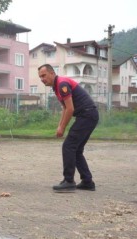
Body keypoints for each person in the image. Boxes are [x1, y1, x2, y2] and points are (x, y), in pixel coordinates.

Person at [38, 64, 99, 192]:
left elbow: (70, 109)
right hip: (88, 115)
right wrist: (60, 126)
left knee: (69, 146)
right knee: (76, 149)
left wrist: (63, 128)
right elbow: (65, 108)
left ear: (52, 73)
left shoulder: (62, 84)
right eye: (40, 77)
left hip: (87, 115)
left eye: (44, 75)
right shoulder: (57, 86)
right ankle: (87, 181)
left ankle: (69, 181)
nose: (42, 79)